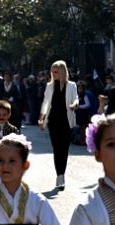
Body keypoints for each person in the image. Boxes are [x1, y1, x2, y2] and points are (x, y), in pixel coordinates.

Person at [39, 60, 78, 190]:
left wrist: (74, 105)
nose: (54, 74)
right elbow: (45, 102)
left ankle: (62, 173)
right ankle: (59, 176)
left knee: (64, 149)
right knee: (57, 149)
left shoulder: (71, 85)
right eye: (52, 72)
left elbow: (76, 98)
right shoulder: (49, 86)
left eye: (56, 72)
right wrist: (42, 117)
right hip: (53, 120)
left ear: (62, 72)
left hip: (66, 121)